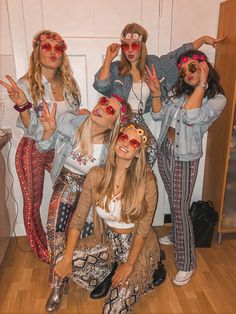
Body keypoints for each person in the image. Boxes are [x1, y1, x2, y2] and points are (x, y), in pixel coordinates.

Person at [52, 123, 159, 313]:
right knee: (62, 259)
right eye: (123, 137)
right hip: (107, 243)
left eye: (133, 142)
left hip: (136, 248)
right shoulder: (95, 175)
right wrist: (67, 258)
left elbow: (143, 231)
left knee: (112, 310)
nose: (126, 143)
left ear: (138, 153)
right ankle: (111, 273)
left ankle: (148, 273)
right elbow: (78, 220)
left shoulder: (147, 181)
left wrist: (129, 265)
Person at [37, 94, 131, 312]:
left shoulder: (112, 149)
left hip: (92, 190)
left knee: (85, 239)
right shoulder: (69, 122)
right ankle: (57, 286)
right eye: (104, 102)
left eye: (111, 110)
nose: (103, 107)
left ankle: (75, 271)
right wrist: (49, 131)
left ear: (113, 123)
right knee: (55, 232)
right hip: (66, 181)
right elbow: (44, 147)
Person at [0, 30, 83, 263]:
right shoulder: (25, 84)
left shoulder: (69, 84)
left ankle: (65, 243)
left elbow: (71, 120)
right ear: (38, 51)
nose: (53, 52)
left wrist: (81, 117)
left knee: (69, 198)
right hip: (34, 148)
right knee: (33, 202)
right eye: (47, 47)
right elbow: (30, 129)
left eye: (59, 47)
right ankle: (42, 250)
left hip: (61, 150)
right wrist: (23, 105)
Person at [93, 22, 223, 168]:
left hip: (138, 119)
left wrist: (203, 39)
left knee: (151, 148)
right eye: (125, 45)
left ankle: (139, 182)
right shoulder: (116, 68)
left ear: (142, 45)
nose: (129, 50)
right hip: (118, 119)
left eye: (134, 45)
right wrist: (108, 59)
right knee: (109, 152)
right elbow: (101, 85)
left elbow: (175, 57)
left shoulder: (153, 63)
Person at [149, 49, 226, 286]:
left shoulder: (216, 98)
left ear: (205, 67)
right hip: (166, 150)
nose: (186, 74)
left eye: (193, 67)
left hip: (185, 156)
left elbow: (192, 116)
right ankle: (176, 235)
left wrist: (202, 83)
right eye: (184, 70)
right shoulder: (177, 91)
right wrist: (155, 94)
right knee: (174, 200)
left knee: (180, 208)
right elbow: (158, 115)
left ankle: (187, 263)